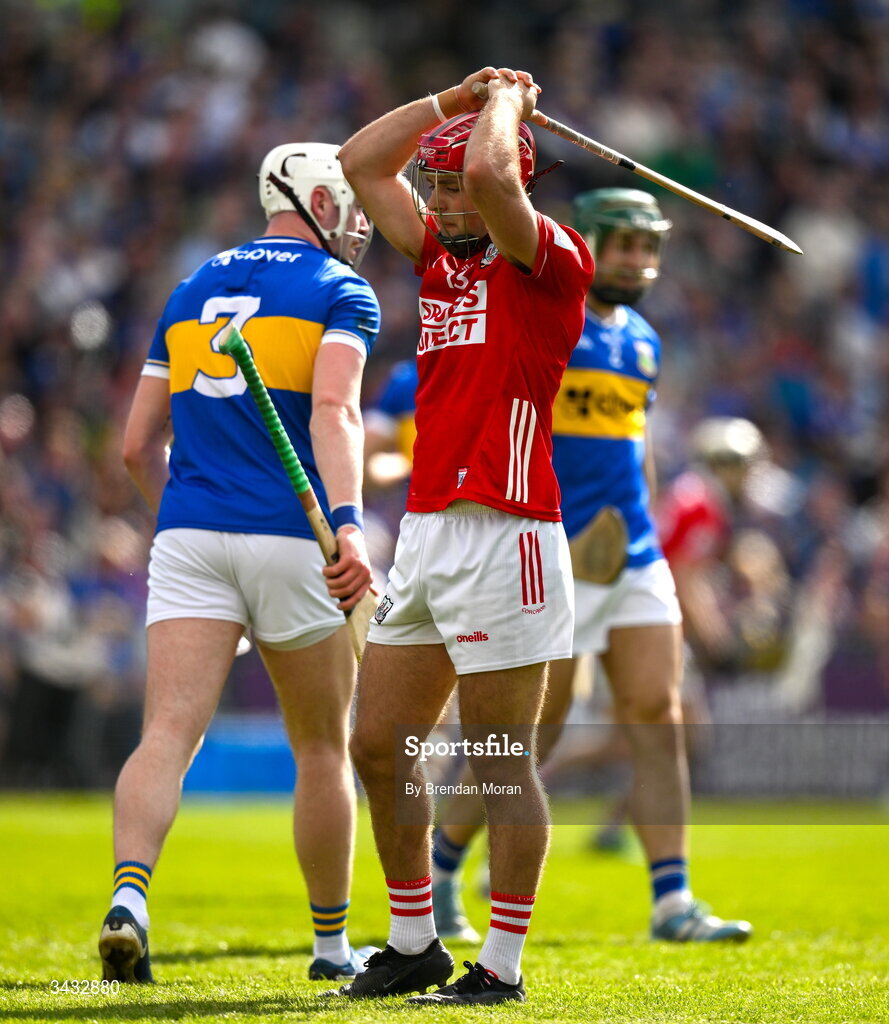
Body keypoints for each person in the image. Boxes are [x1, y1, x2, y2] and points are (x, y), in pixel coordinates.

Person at [334, 66, 594, 1005]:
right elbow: (362, 162)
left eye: (451, 184)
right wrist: (454, 97)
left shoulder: (551, 258)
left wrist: (505, 106)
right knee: (378, 743)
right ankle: (414, 943)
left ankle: (501, 965)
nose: (440, 199)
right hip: (430, 534)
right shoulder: (440, 261)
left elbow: (492, 180)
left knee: (495, 758)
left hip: (510, 531)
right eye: (432, 185)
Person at [430, 189, 753, 944]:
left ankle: (672, 902)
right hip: (548, 551)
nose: (637, 262)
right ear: (589, 243)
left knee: (657, 715)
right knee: (531, 735)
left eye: (648, 248)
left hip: (632, 555)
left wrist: (636, 524)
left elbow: (632, 450)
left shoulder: (642, 340)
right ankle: (444, 863)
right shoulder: (548, 316)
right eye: (622, 246)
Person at [98, 143, 381, 984]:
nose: (360, 218)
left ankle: (129, 899)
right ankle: (331, 948)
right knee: (322, 749)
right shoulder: (340, 290)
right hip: (294, 538)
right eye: (351, 199)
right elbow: (334, 413)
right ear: (317, 199)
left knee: (166, 736)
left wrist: (184, 525)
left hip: (188, 533)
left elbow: (134, 447)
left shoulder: (189, 289)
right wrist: (351, 527)